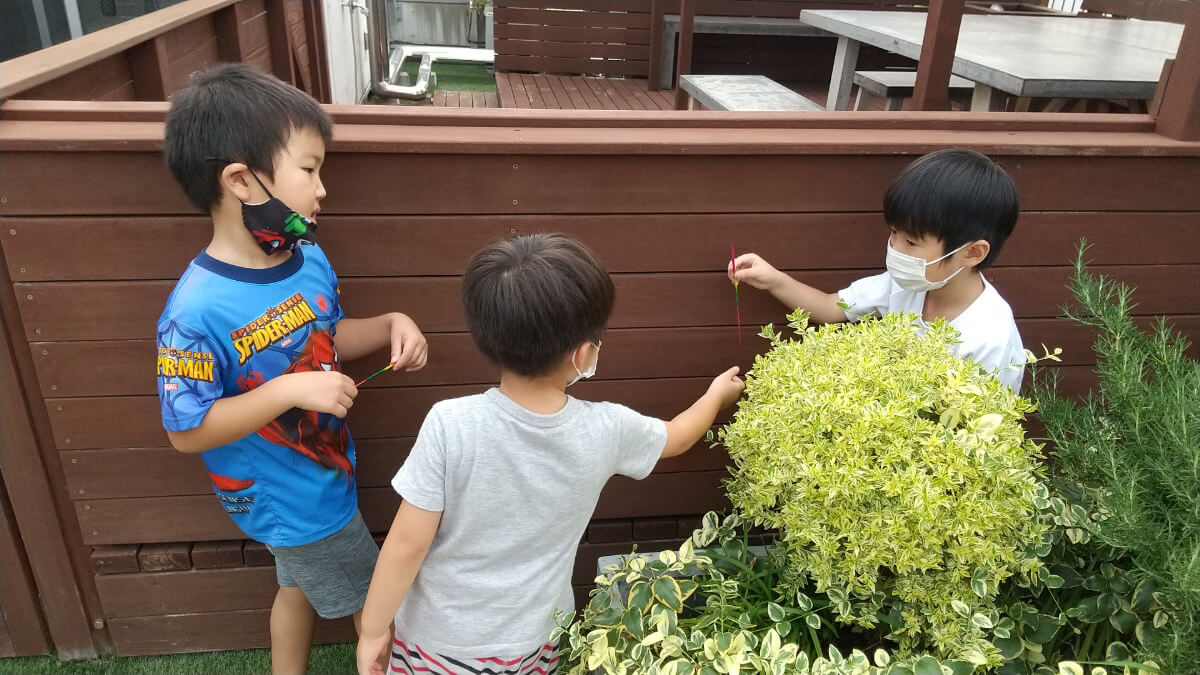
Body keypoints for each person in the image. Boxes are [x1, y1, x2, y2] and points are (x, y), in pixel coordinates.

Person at [356, 233, 744, 674]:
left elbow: (406, 544)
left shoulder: (450, 423)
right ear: (582, 354)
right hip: (534, 643)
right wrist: (715, 395)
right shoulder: (607, 428)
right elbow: (675, 436)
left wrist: (372, 630)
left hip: (436, 644)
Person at [156, 63, 428, 675]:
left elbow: (327, 340)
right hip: (287, 494)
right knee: (376, 610)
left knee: (296, 587)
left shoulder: (307, 258)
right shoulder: (195, 311)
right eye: (309, 169)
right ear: (241, 181)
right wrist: (289, 389)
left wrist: (389, 324)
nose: (322, 187)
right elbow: (186, 430)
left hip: (318, 470)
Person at [730, 148, 1025, 390]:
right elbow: (832, 307)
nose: (894, 248)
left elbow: (983, 433)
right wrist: (772, 279)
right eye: (893, 232)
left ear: (972, 253)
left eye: (911, 241)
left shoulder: (988, 338)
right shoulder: (908, 284)